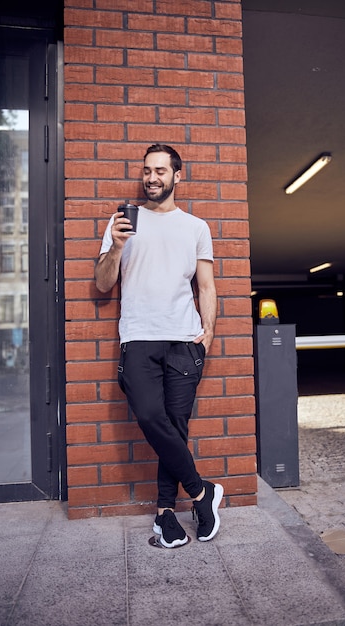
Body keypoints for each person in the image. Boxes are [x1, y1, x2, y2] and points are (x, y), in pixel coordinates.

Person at [95, 144, 223, 548]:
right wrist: (116, 246)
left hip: (184, 341)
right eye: (147, 170)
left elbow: (206, 286)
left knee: (175, 428)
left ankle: (165, 513)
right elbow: (102, 284)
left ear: (177, 176)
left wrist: (209, 333)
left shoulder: (195, 227)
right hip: (138, 338)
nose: (152, 177)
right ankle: (203, 493)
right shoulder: (122, 222)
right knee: (153, 418)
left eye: (161, 171)